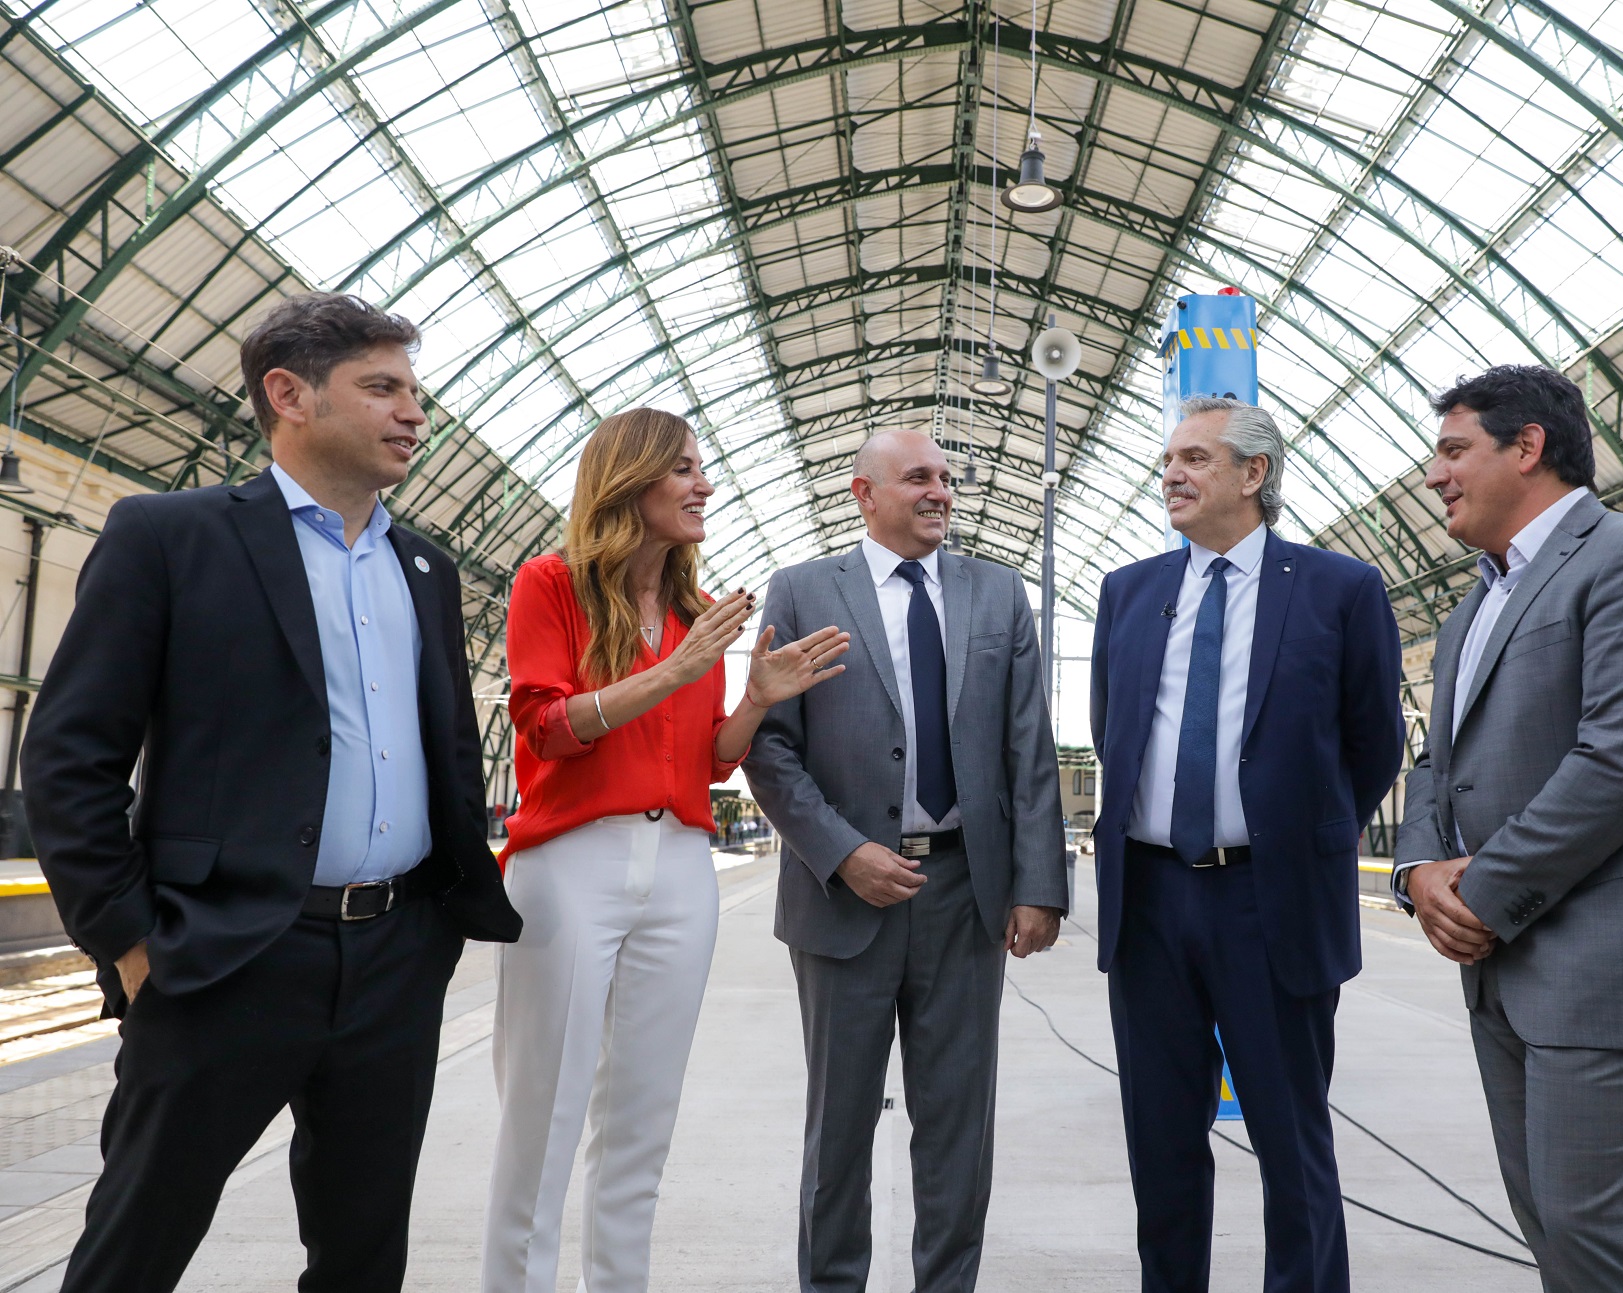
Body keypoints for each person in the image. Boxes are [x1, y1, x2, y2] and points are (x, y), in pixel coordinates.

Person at [22, 292, 523, 1292]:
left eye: (414, 390)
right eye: (381, 387)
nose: (413, 413)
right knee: (135, 1246)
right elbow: (69, 755)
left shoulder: (424, 564)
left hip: (394, 954)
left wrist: (438, 920)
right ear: (287, 394)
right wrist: (128, 940)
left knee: (361, 1255)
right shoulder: (172, 535)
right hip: (224, 956)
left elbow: (453, 752)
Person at [1392, 365, 1623, 1292]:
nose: (1433, 475)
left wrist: (1475, 889)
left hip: (1609, 956)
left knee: (1600, 1235)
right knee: (1555, 1233)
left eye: (1453, 450)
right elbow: (1437, 761)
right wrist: (1417, 869)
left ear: (1528, 447)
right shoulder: (1473, 605)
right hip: (1504, 970)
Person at [481, 408, 849, 1293]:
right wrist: (673, 672)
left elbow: (708, 761)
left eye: (703, 468)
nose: (704, 485)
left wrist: (754, 699)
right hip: (571, 865)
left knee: (641, 1122)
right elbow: (543, 726)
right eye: (683, 469)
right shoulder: (549, 584)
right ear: (631, 478)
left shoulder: (696, 612)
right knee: (545, 1115)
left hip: (680, 867)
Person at [741, 429, 1067, 1293]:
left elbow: (1028, 751)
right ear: (864, 493)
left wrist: (1039, 886)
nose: (941, 492)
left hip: (965, 893)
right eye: (918, 477)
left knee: (958, 1124)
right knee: (838, 1126)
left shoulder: (998, 594)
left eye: (948, 479)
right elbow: (769, 750)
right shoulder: (805, 591)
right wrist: (843, 854)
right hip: (842, 898)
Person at [1090, 396, 1403, 1293]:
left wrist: (1298, 835)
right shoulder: (1130, 590)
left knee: (1291, 1139)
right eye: (1166, 461)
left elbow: (1373, 741)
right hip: (1150, 900)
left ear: (1254, 473)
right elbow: (1115, 735)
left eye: (1194, 458)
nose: (1172, 476)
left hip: (1272, 900)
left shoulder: (1341, 589)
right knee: (1161, 1141)